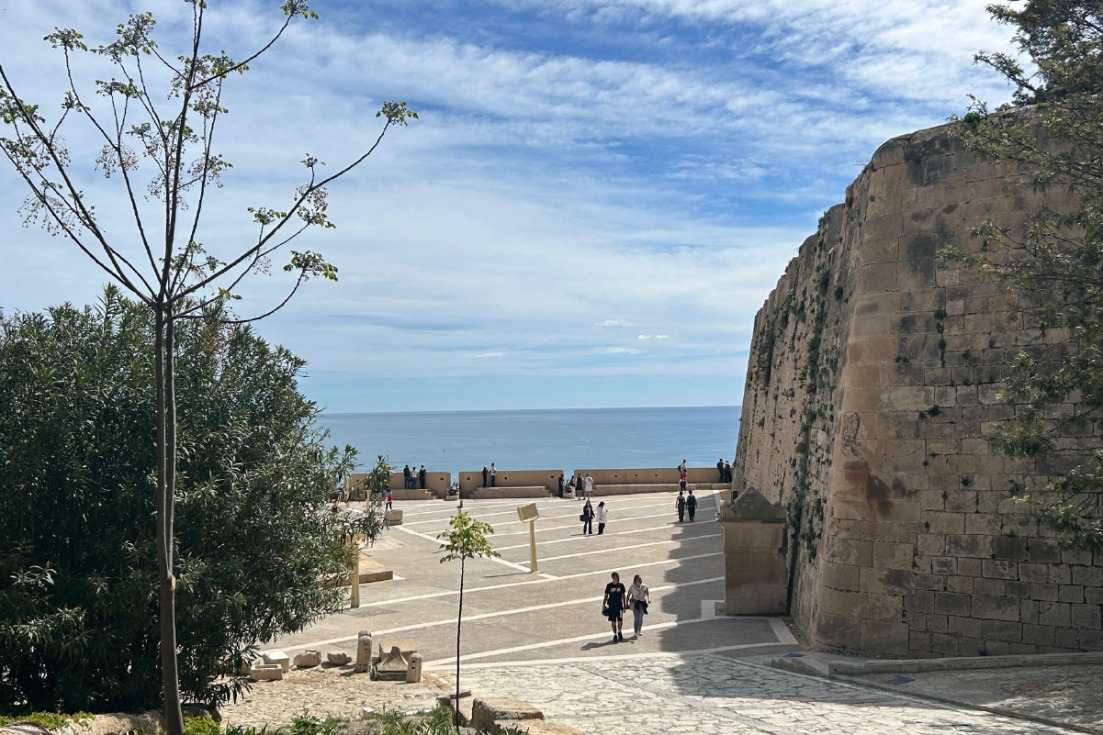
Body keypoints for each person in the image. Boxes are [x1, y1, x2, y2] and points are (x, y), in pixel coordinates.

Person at [603, 572, 627, 642]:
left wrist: (625, 605)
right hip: (611, 607)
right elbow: (606, 596)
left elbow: (623, 595)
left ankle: (619, 631)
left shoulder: (621, 585)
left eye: (618, 577)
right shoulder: (609, 586)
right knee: (613, 621)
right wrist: (603, 605)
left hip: (619, 606)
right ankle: (615, 634)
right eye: (617, 577)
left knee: (620, 621)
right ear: (613, 578)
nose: (618, 578)